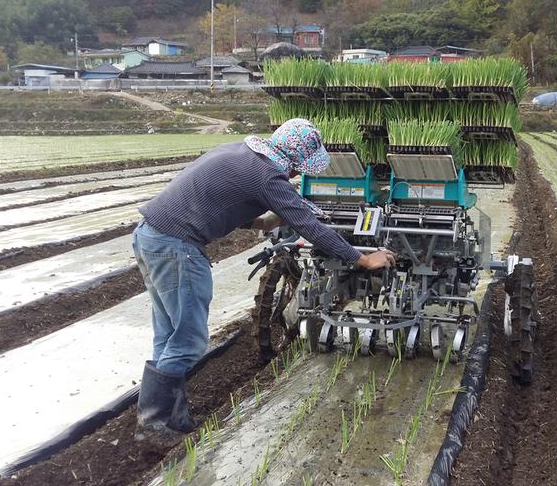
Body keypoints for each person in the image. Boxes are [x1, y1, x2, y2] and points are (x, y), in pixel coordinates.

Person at [132, 118, 395, 439]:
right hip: (178, 247)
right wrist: (364, 258)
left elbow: (218, 199)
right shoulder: (268, 176)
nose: (298, 175)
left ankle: (170, 419)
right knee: (188, 341)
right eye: (300, 168)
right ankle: (154, 426)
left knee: (169, 334)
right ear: (294, 160)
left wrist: (265, 221)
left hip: (149, 236)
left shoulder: (241, 152)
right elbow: (311, 229)